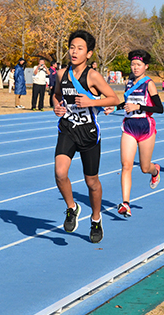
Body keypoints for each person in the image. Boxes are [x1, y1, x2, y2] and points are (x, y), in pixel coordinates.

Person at [52, 30, 120, 243]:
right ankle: (72, 208)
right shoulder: (61, 74)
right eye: (72, 47)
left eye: (80, 48)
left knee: (91, 182)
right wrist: (56, 107)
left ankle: (96, 219)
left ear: (89, 53)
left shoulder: (92, 76)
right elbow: (55, 96)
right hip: (68, 129)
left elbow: (114, 99)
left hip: (89, 133)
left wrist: (92, 102)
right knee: (60, 173)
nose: (74, 52)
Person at [104, 50, 164, 218]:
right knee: (126, 165)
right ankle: (125, 203)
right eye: (133, 64)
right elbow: (128, 103)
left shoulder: (149, 84)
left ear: (145, 66)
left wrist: (139, 108)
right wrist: (115, 107)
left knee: (145, 167)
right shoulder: (129, 82)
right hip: (129, 127)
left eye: (138, 65)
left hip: (145, 128)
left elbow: (160, 108)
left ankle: (155, 171)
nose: (135, 67)